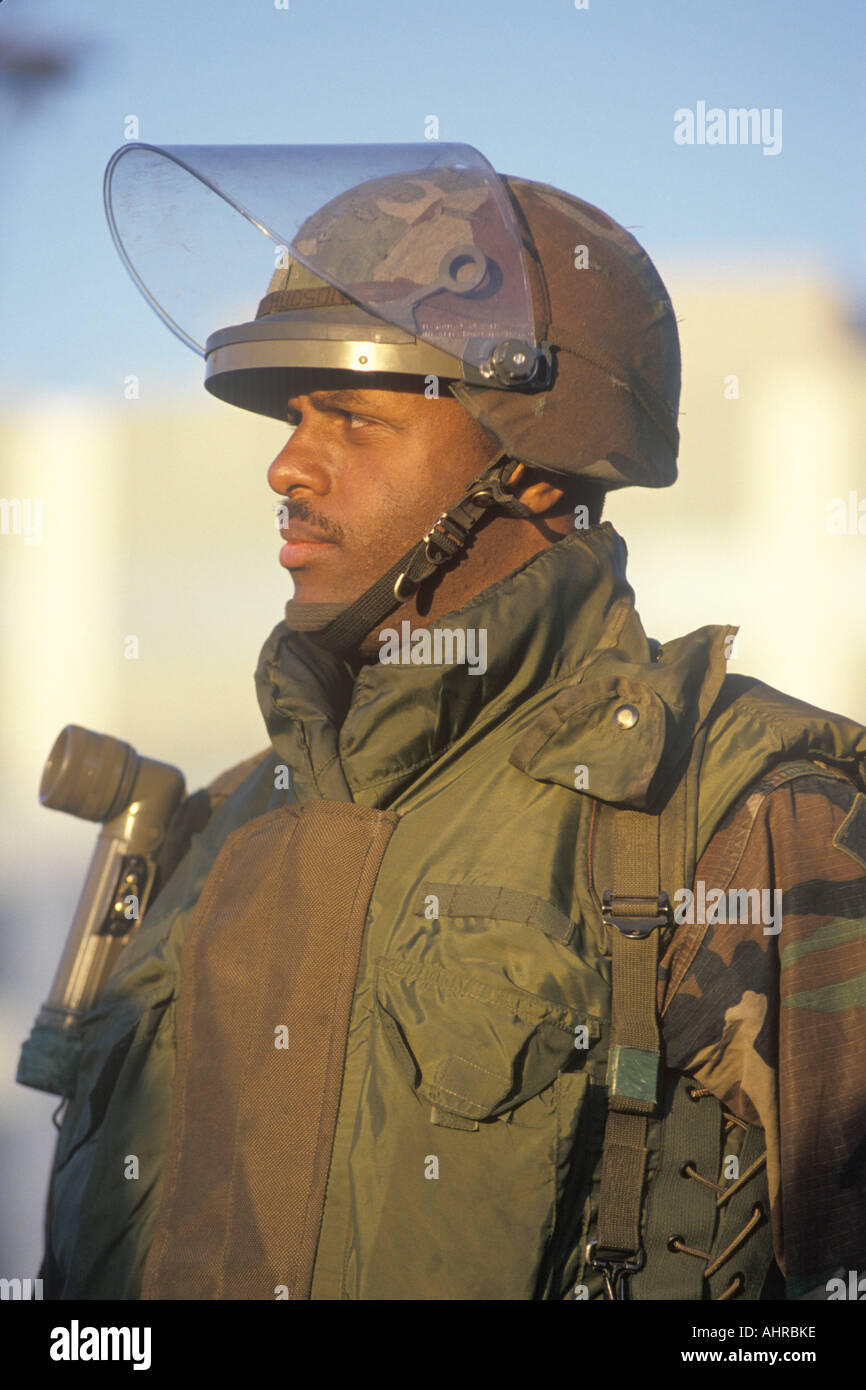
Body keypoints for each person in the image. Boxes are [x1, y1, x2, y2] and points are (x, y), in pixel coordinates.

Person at [34, 144, 866, 1301]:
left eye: (354, 420)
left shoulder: (749, 825)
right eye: (290, 417)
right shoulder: (222, 824)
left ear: (531, 468)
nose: (284, 464)